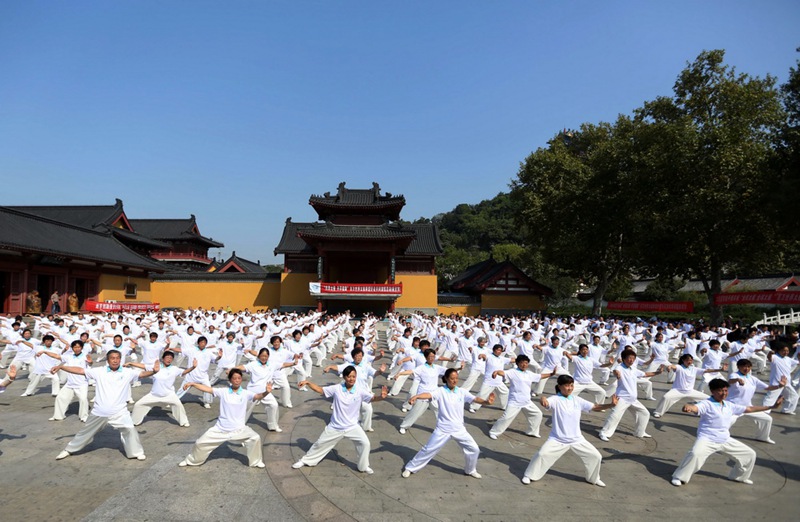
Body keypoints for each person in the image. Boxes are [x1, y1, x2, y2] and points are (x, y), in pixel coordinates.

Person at [671, 378, 783, 486]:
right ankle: (679, 477)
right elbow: (695, 407)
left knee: (749, 454)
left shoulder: (729, 405)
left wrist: (771, 406)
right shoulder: (707, 403)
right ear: (713, 391)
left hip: (724, 439)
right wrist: (688, 407)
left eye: (725, 390)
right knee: (695, 454)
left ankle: (738, 477)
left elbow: (748, 409)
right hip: (707, 439)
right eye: (720, 390)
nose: (723, 393)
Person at [55, 350, 154, 461]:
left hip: (119, 412)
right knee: (85, 432)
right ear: (107, 360)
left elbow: (142, 374)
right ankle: (68, 450)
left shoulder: (127, 372)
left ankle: (136, 453)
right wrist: (62, 367)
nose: (115, 360)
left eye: (117, 358)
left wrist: (154, 371)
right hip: (99, 412)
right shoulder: (99, 371)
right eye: (112, 358)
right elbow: (81, 370)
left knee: (130, 430)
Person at [521, 375, 617, 487]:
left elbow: (594, 407)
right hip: (557, 439)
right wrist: (543, 399)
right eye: (567, 385)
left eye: (571, 385)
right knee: (542, 454)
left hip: (577, 439)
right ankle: (529, 475)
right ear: (560, 386)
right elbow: (546, 402)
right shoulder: (555, 399)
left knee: (596, 456)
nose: (570, 388)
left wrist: (611, 405)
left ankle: (593, 479)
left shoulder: (577, 400)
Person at [401, 368, 495, 479]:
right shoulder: (440, 391)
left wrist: (486, 402)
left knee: (474, 449)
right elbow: (428, 395)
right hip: (443, 429)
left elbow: (475, 398)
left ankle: (470, 470)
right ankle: (410, 468)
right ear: (446, 378)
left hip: (459, 429)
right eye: (452, 378)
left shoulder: (461, 392)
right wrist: (416, 396)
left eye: (456, 378)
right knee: (428, 449)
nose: (455, 380)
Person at [292, 366, 388, 474]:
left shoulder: (360, 391)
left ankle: (363, 466)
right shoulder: (337, 388)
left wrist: (381, 397)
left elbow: (372, 398)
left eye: (353, 376)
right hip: (335, 426)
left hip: (352, 426)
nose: (351, 379)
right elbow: (320, 390)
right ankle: (305, 461)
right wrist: (308, 383)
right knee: (320, 444)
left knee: (365, 444)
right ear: (344, 377)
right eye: (349, 376)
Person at [179, 368, 272, 468]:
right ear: (230, 380)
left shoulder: (246, 393)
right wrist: (192, 384)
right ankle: (191, 460)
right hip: (220, 429)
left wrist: (266, 392)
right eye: (234, 378)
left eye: (239, 378)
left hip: (239, 429)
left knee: (255, 438)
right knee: (199, 443)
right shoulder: (223, 391)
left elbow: (257, 396)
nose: (237, 380)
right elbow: (208, 389)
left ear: (241, 379)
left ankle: (256, 462)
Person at [598, 348, 663, 441]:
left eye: (633, 358)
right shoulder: (620, 367)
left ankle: (639, 432)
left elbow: (645, 374)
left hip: (632, 399)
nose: (631, 360)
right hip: (622, 398)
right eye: (629, 358)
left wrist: (658, 372)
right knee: (615, 416)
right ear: (624, 359)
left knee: (644, 413)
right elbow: (616, 371)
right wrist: (617, 374)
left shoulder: (633, 369)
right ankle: (604, 433)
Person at [488, 354, 553, 439]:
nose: (524, 365)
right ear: (518, 363)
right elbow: (503, 372)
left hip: (527, 401)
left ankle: (532, 432)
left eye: (526, 363)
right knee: (506, 418)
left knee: (537, 414)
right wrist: (496, 372)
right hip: (515, 401)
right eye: (522, 363)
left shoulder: (529, 374)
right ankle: (494, 432)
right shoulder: (513, 372)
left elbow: (540, 376)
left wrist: (552, 373)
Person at [727, 359, 786, 444]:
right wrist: (737, 380)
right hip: (734, 407)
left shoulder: (753, 379)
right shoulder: (734, 375)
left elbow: (767, 388)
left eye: (748, 366)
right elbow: (730, 381)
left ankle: (763, 437)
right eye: (744, 366)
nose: (746, 368)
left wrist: (779, 386)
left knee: (767, 419)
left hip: (748, 407)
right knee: (728, 421)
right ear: (738, 367)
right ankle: (719, 438)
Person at [127, 351, 192, 427]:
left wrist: (193, 367)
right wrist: (131, 363)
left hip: (169, 395)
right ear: (163, 358)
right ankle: (134, 421)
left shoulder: (174, 369)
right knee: (138, 404)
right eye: (167, 357)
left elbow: (184, 372)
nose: (169, 359)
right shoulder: (156, 367)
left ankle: (184, 422)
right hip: (154, 394)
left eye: (171, 358)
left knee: (178, 405)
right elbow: (143, 366)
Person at [652, 354, 725, 418]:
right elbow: (674, 366)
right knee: (666, 397)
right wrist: (670, 366)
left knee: (708, 399)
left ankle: (702, 412)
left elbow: (707, 370)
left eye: (691, 360)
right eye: (687, 360)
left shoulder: (694, 369)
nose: (689, 362)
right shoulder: (680, 367)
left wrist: (720, 369)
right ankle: (658, 412)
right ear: (683, 360)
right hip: (678, 390)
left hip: (690, 391)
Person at [50, 340, 92, 422]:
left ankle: (84, 416)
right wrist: (44, 352)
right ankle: (58, 416)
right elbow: (57, 356)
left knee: (83, 399)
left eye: (79, 347)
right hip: (70, 383)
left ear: (82, 348)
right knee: (60, 398)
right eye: (75, 347)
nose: (77, 349)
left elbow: (90, 363)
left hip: (81, 383)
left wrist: (90, 361)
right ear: (72, 348)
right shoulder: (69, 356)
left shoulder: (85, 356)